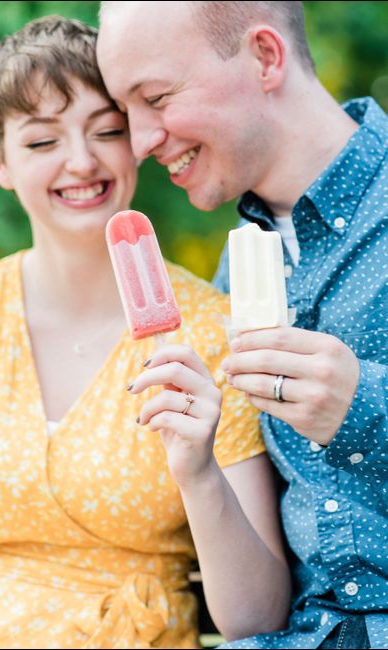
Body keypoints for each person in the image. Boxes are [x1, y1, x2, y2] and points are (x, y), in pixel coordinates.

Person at [0, 14, 291, 649]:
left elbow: (258, 619)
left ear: (137, 137)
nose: (81, 162)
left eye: (106, 131)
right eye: (40, 142)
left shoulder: (212, 333)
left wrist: (199, 471)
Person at [97, 1, 388, 648]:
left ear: (264, 57)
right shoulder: (239, 270)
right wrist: (194, 463)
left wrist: (366, 405)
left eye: (156, 97)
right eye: (126, 114)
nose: (140, 143)